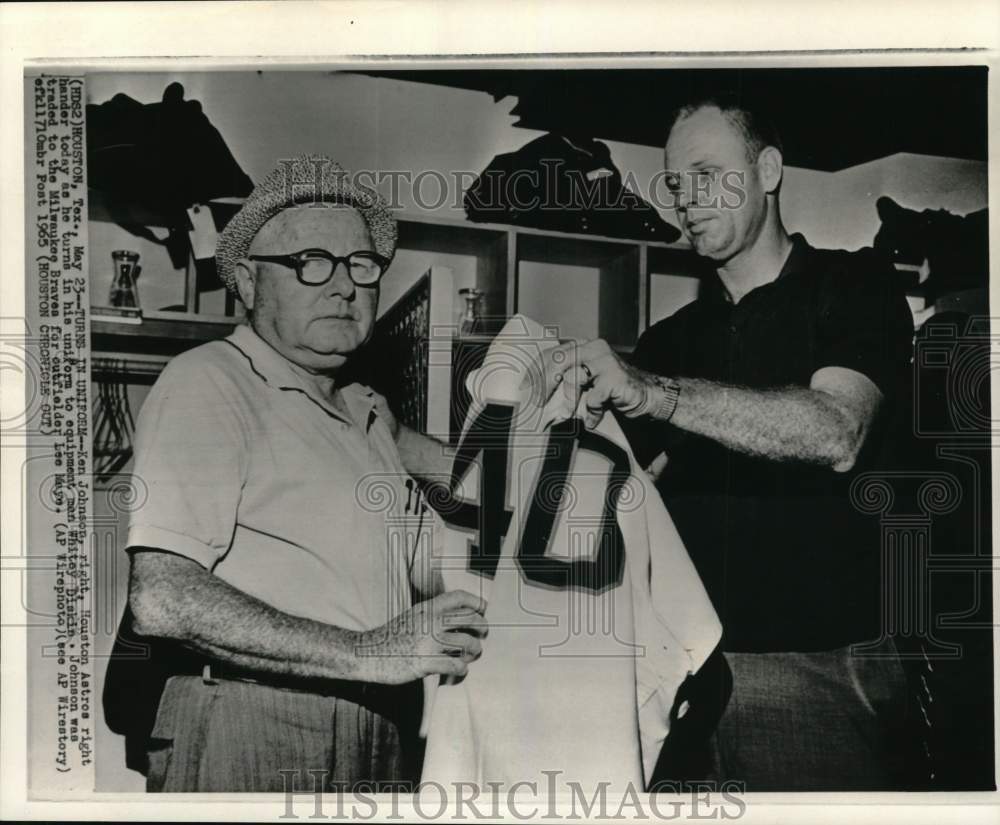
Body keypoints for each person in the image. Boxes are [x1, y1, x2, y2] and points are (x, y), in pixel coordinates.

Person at [541, 96, 915, 790]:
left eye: (710, 174)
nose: (687, 199)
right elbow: (615, 501)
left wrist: (658, 395)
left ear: (768, 170)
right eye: (676, 183)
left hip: (812, 668)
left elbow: (838, 431)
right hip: (682, 673)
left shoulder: (853, 286)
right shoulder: (671, 339)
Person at [121, 155, 487, 793]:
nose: (343, 286)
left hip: (381, 723)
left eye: (361, 265)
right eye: (310, 261)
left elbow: (453, 525)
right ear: (245, 280)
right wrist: (369, 651)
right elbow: (163, 598)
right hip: (254, 716)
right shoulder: (210, 381)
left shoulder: (360, 413)